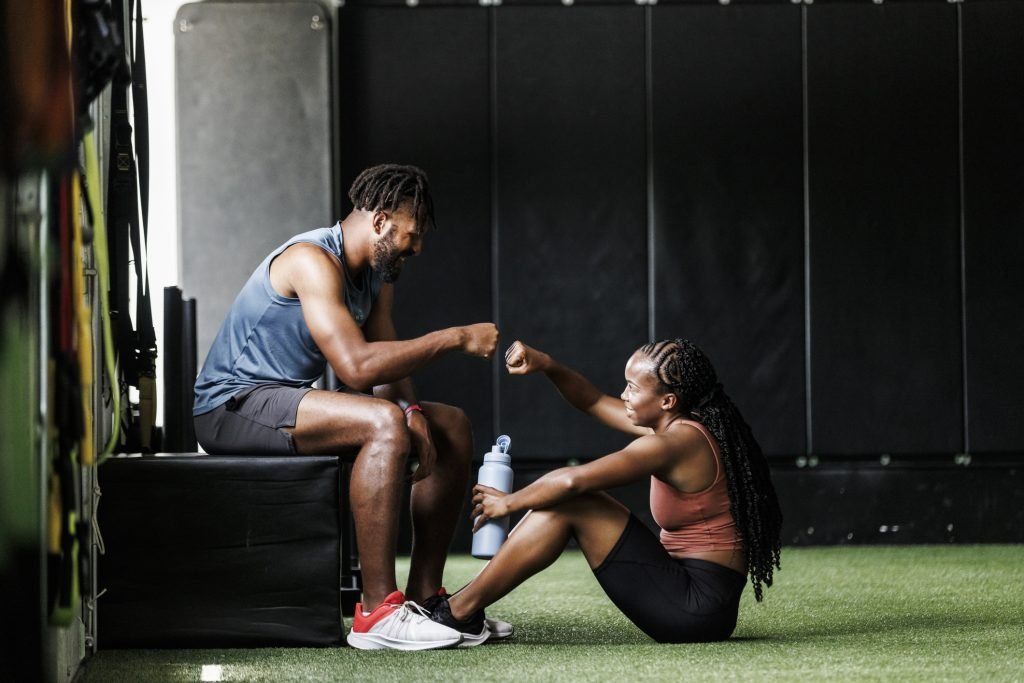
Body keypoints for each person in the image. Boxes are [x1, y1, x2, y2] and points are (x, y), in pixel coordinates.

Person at [193, 164, 504, 650]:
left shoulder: (377, 277)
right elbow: (357, 367)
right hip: (231, 405)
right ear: (380, 221)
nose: (417, 248)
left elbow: (386, 360)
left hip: (289, 403)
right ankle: (377, 614)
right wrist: (456, 337)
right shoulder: (311, 260)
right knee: (382, 422)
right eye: (412, 235)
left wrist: (415, 413)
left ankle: (424, 600)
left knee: (452, 426)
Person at [427, 338, 783, 644]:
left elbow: (573, 480)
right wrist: (547, 365)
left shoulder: (676, 444)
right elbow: (593, 401)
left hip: (697, 606)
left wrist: (508, 503)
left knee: (574, 502)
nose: (624, 394)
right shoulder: (676, 429)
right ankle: (462, 610)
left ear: (668, 401)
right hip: (693, 593)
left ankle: (456, 613)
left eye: (634, 388)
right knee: (570, 502)